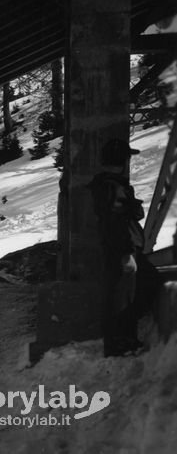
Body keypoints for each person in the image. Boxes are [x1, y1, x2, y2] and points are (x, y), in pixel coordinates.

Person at [88, 138, 147, 357]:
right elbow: (115, 222)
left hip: (119, 247)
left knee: (118, 293)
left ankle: (120, 341)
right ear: (122, 160)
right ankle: (120, 342)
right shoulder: (113, 186)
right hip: (122, 249)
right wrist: (126, 253)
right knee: (123, 295)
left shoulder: (107, 185)